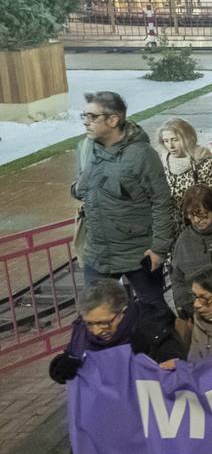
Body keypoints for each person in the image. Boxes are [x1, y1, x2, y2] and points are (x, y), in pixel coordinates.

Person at [72, 91, 176, 315]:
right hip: (97, 253)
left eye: (92, 117)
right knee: (95, 314)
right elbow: (80, 189)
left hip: (138, 254)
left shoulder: (142, 155)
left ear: (113, 120)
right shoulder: (86, 148)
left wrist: (159, 249)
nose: (86, 122)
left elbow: (162, 202)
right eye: (84, 116)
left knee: (156, 313)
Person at [49, 280, 182, 386]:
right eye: (90, 323)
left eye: (104, 323)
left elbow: (173, 359)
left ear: (123, 311)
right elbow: (67, 367)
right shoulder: (81, 331)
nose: (97, 331)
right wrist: (61, 368)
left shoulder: (149, 325)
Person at [169, 185, 212, 321]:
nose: (196, 221)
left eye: (202, 215)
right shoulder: (184, 241)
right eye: (191, 216)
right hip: (199, 311)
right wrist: (188, 306)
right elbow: (177, 280)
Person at [157, 118, 212, 239]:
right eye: (166, 141)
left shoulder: (205, 163)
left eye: (175, 140)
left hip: (201, 230)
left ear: (187, 138)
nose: (171, 146)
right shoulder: (163, 164)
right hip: (173, 231)